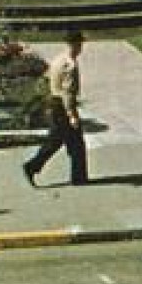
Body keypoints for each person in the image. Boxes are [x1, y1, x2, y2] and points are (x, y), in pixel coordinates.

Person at [23, 31, 88, 187]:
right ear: (75, 45)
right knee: (69, 143)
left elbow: (48, 78)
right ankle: (32, 166)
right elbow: (68, 93)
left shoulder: (58, 60)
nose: (81, 48)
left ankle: (78, 176)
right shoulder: (70, 65)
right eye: (80, 44)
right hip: (63, 107)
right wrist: (72, 114)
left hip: (54, 103)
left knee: (63, 142)